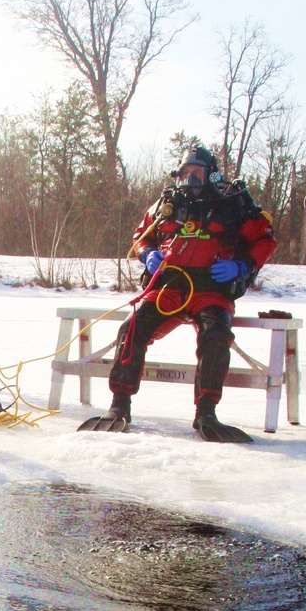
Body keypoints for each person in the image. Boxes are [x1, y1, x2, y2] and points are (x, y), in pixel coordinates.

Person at [82, 147, 276, 442]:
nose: (189, 179)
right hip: (169, 287)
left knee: (216, 335)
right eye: (184, 173)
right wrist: (147, 254)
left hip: (211, 288)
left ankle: (206, 413)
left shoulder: (232, 204)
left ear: (211, 174)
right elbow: (141, 236)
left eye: (196, 173)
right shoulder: (168, 203)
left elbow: (265, 239)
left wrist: (242, 265)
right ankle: (119, 405)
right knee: (131, 328)